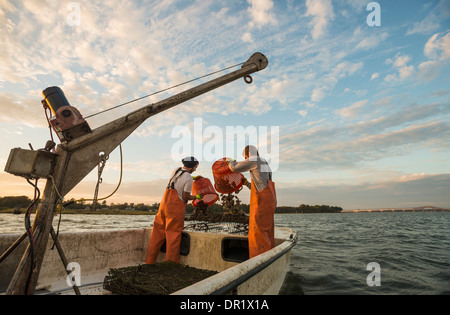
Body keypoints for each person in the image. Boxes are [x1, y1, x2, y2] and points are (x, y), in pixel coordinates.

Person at [145, 156, 200, 264]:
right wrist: (196, 197)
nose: (195, 169)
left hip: (163, 206)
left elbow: (179, 180)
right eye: (196, 167)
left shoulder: (176, 170)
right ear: (192, 167)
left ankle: (149, 261)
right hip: (175, 208)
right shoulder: (188, 178)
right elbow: (185, 196)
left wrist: (193, 178)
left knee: (156, 234)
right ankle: (170, 264)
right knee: (173, 235)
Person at [227, 145, 277, 258]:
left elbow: (234, 168)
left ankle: (259, 260)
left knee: (258, 233)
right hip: (270, 199)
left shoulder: (255, 160)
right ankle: (269, 256)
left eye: (245, 157)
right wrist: (246, 183)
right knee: (267, 230)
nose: (246, 160)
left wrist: (230, 161)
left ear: (248, 154)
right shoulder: (264, 162)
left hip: (262, 203)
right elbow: (261, 185)